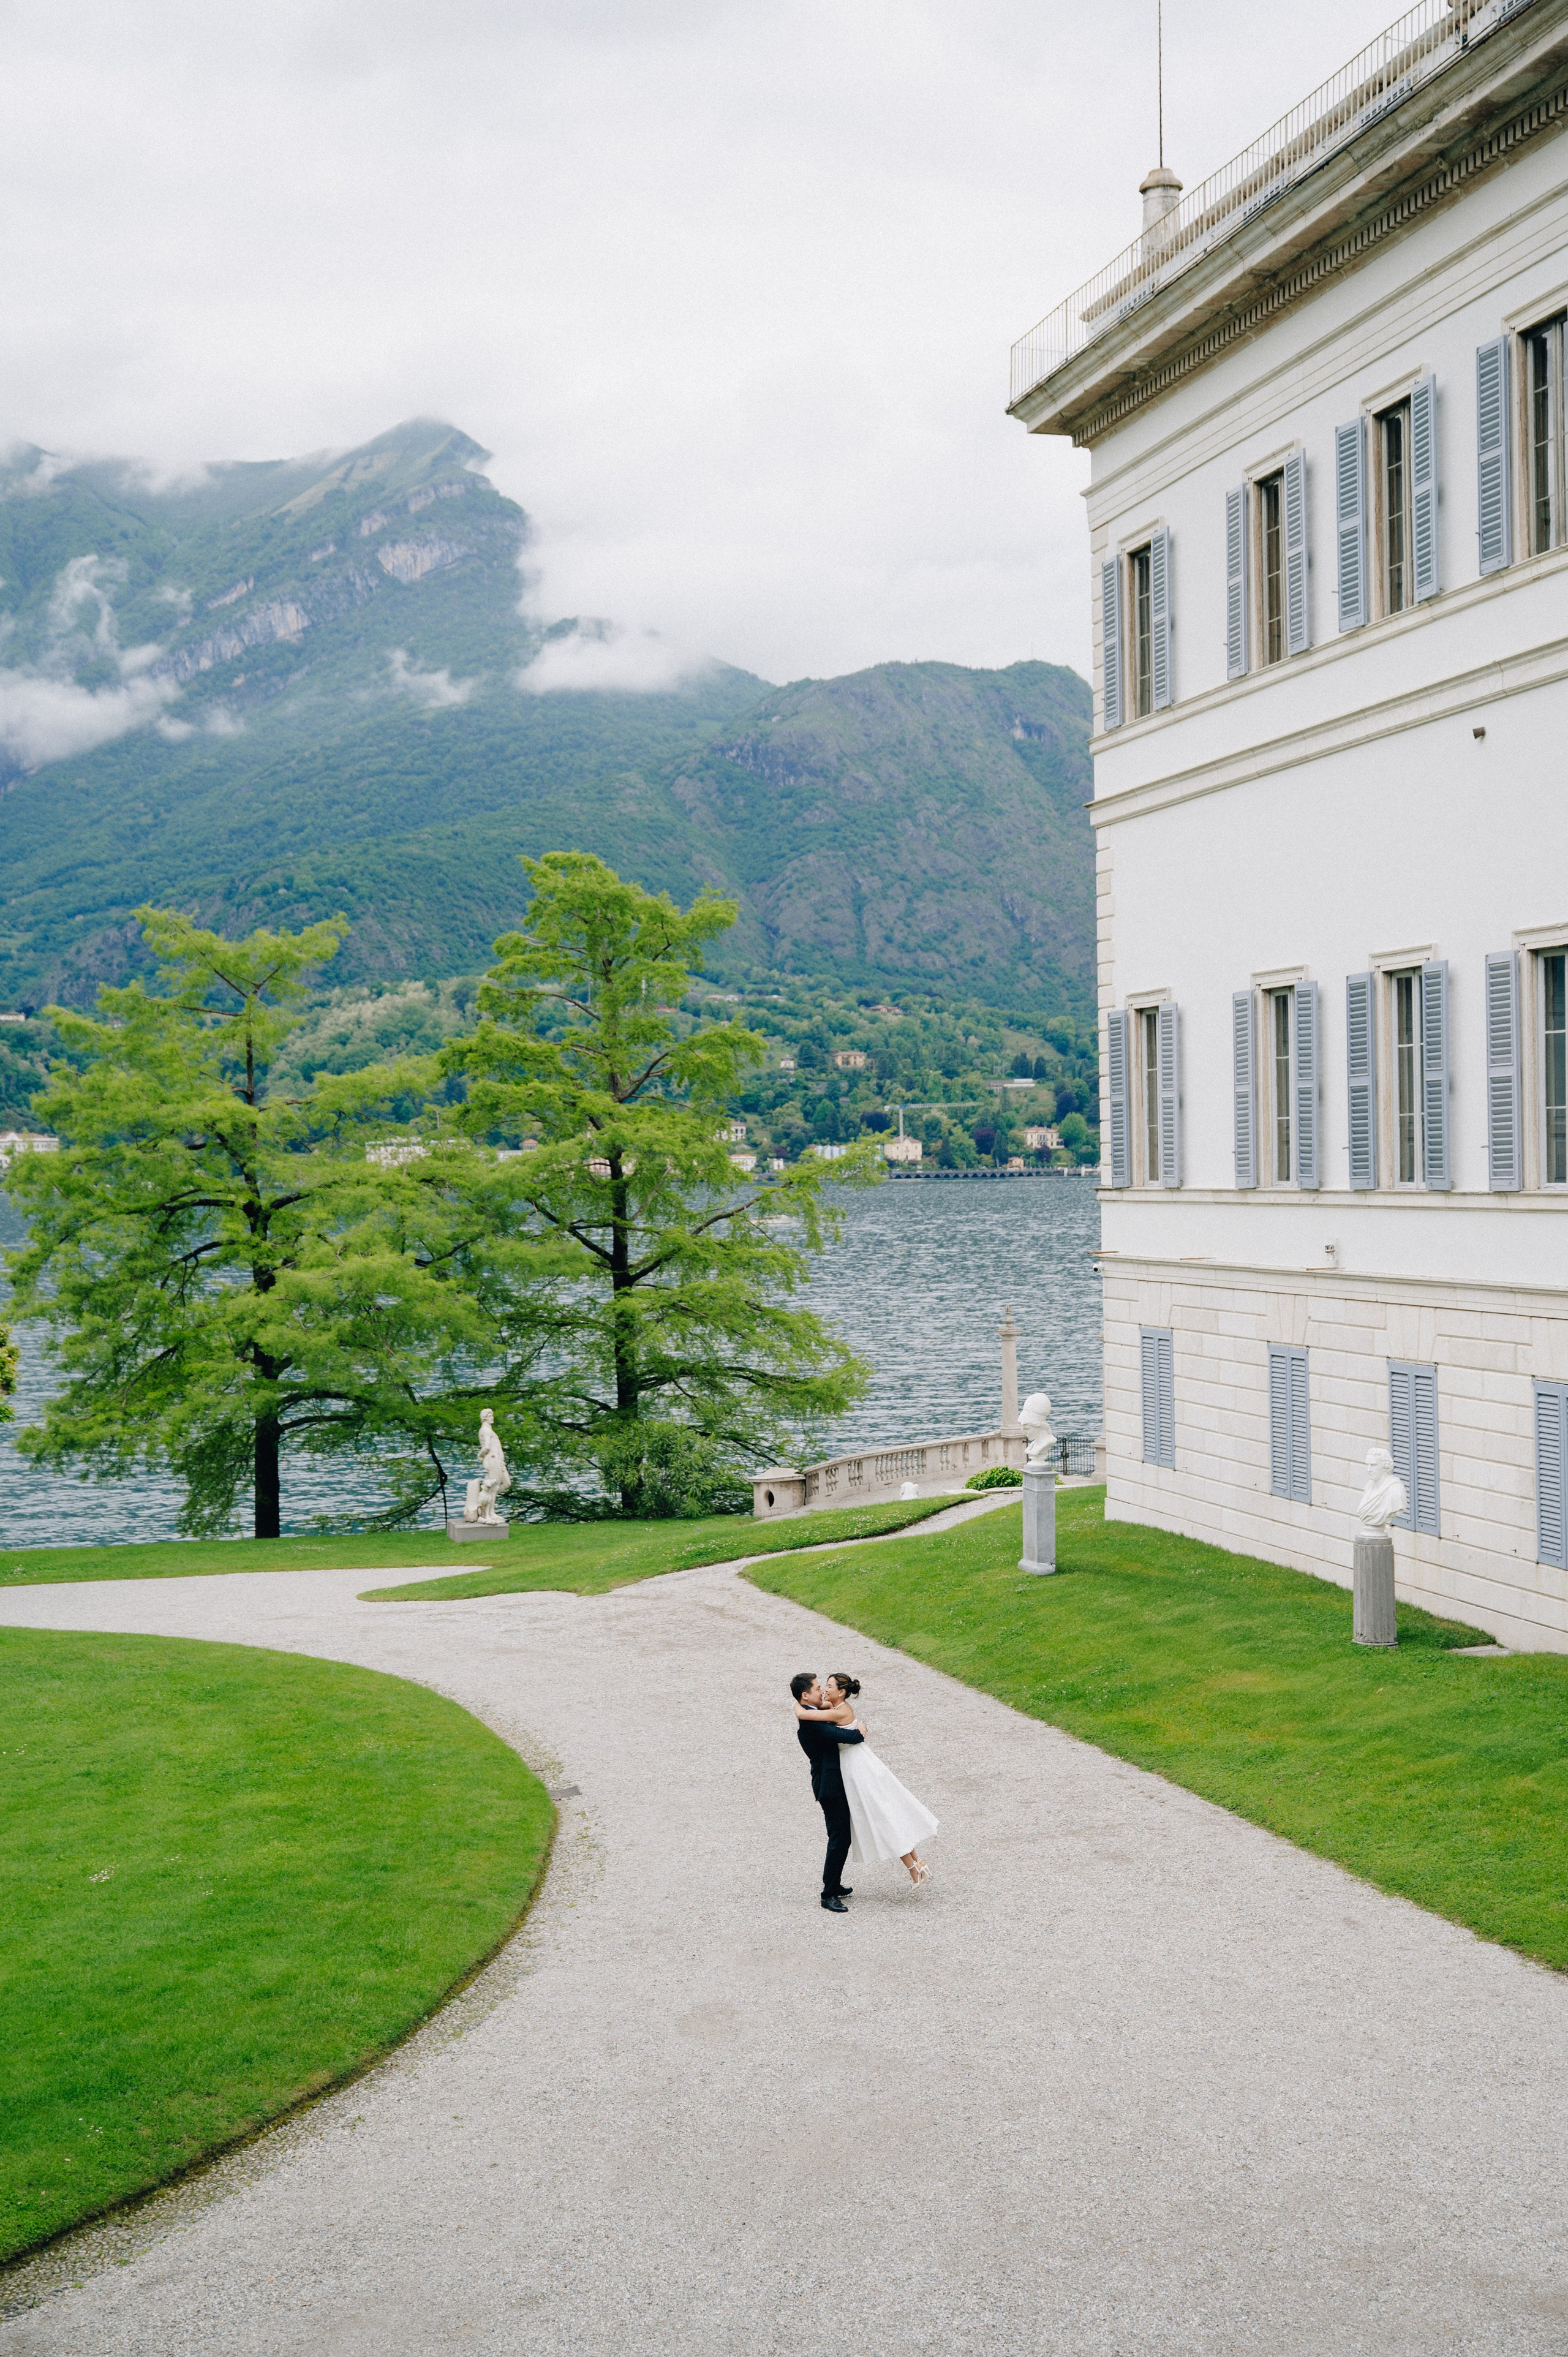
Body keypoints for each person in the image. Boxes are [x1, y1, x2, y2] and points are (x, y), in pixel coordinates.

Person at [794, 1673, 936, 1887]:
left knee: (880, 1815)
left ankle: (913, 1866)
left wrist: (797, 1708)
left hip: (857, 1769)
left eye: (828, 1686)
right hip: (855, 1766)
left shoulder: (838, 1711)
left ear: (841, 1692)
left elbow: (808, 1716)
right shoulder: (832, 1708)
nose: (824, 1690)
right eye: (820, 1687)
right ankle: (915, 1863)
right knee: (882, 1813)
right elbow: (816, 1711)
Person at [790, 1672, 865, 1912]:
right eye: (817, 1688)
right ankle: (829, 1893)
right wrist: (860, 1731)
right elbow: (848, 1736)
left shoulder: (811, 1712)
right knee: (839, 1838)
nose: (821, 1691)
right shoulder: (811, 1721)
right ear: (805, 1695)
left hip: (835, 1782)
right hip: (829, 1785)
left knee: (841, 1837)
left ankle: (834, 1884)